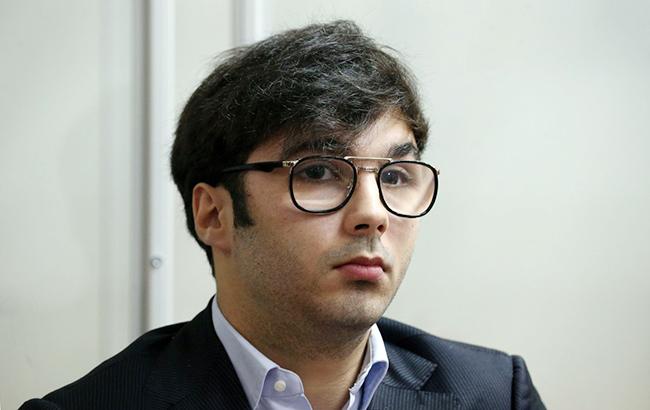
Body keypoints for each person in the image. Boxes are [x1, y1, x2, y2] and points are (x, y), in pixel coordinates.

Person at [21, 20, 545, 410]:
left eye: (393, 176)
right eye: (318, 172)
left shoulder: (496, 394)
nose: (372, 215)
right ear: (214, 215)